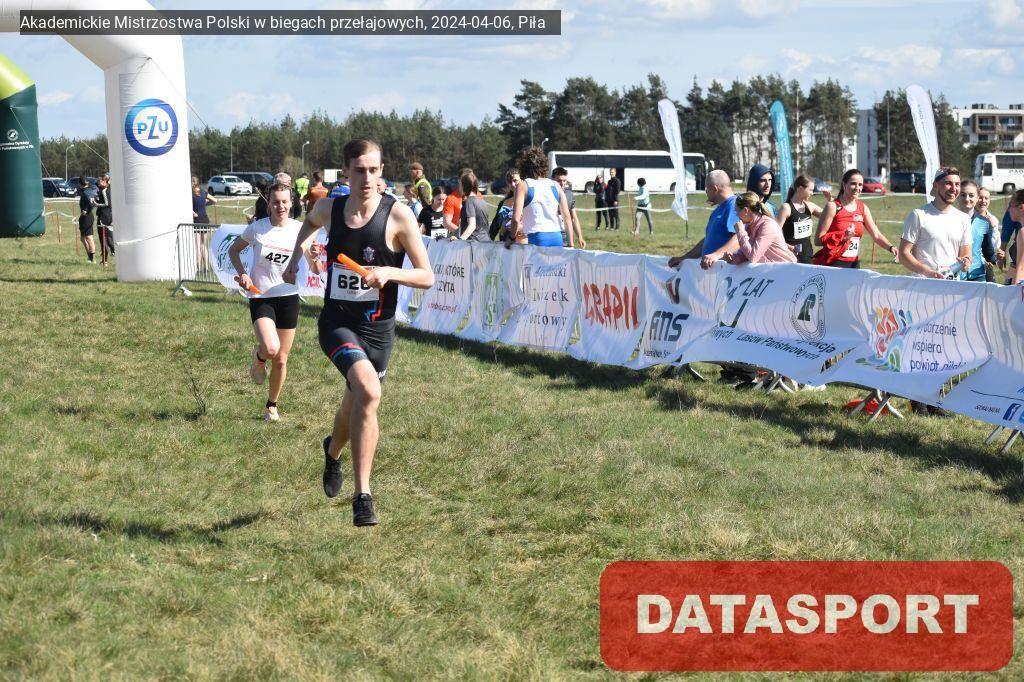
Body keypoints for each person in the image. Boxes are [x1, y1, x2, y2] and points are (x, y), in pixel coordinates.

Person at [283, 138, 434, 527]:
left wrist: (389, 272)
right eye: (359, 171)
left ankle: (332, 453)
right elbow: (309, 224)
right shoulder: (330, 208)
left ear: (381, 171)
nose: (367, 178)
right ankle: (363, 496)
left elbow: (426, 276)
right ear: (346, 172)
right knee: (369, 391)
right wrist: (299, 256)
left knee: (355, 405)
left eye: (373, 170)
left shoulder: (397, 216)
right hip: (338, 324)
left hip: (378, 331)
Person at [228, 182, 308, 423]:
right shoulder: (257, 228)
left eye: (284, 202)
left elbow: (315, 265)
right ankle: (260, 357)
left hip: (288, 297)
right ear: (269, 204)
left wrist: (314, 258)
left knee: (282, 359)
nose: (280, 206)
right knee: (271, 349)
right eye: (275, 202)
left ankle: (271, 406)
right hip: (261, 296)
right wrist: (243, 274)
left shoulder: (300, 229)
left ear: (291, 203)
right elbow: (233, 250)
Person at [813, 169, 897, 268]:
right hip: (833, 262)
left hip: (854, 264)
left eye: (860, 185)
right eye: (853, 184)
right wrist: (842, 236)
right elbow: (818, 240)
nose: (857, 188)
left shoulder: (863, 208)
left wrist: (891, 247)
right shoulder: (832, 207)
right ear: (844, 185)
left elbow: (876, 235)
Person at [899, 167, 972, 280]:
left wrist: (966, 263)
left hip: (952, 285)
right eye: (948, 183)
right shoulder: (918, 215)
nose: (954, 189)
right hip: (924, 284)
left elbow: (966, 256)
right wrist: (927, 272)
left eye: (957, 184)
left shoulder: (964, 219)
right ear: (935, 185)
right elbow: (903, 254)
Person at [668, 169, 739, 270]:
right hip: (712, 273)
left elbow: (739, 238)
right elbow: (708, 240)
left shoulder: (733, 206)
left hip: (725, 272)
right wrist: (685, 257)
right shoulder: (719, 209)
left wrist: (715, 255)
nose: (705, 192)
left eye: (706, 189)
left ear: (714, 189)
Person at [511, 147, 574, 247]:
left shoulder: (523, 185)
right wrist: (571, 243)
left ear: (524, 167)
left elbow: (515, 219)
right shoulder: (555, 185)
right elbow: (567, 216)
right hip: (557, 237)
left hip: (537, 238)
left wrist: (511, 238)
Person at [725, 192, 797, 265]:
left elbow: (753, 257)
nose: (736, 214)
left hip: (787, 268)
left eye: (737, 210)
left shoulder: (767, 225)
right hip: (773, 269)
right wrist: (733, 258)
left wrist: (740, 232)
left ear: (746, 210)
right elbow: (745, 254)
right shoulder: (749, 225)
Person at [775, 174, 823, 264]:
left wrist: (830, 201)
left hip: (808, 255)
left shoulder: (809, 206)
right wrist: (788, 246)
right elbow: (774, 234)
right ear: (800, 189)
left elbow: (828, 216)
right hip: (791, 257)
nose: (812, 193)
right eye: (810, 190)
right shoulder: (786, 208)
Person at [958, 180, 997, 282]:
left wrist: (996, 259)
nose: (967, 199)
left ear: (977, 197)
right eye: (963, 195)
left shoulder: (985, 222)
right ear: (957, 196)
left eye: (971, 195)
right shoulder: (948, 220)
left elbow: (988, 250)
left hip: (977, 276)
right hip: (955, 276)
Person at [552, 166, 586, 248]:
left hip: (566, 236)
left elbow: (573, 218)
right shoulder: (547, 194)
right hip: (552, 235)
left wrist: (580, 237)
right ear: (552, 180)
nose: (562, 183)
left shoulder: (569, 194)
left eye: (564, 181)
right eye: (559, 181)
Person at [456, 171, 490, 241]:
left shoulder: (469, 202)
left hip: (474, 243)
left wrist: (460, 240)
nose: (459, 188)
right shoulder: (482, 201)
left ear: (464, 186)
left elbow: (472, 225)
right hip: (486, 241)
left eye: (460, 185)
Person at [488, 170, 520, 242]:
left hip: (521, 243)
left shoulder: (527, 201)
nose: (512, 184)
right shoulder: (504, 203)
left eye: (515, 181)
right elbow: (495, 225)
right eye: (509, 182)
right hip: (504, 242)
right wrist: (490, 239)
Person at [92, 173, 115, 262]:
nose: (99, 182)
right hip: (108, 215)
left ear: (105, 181)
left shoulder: (104, 191)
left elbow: (107, 204)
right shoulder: (106, 189)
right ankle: (108, 255)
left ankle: (104, 260)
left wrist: (96, 203)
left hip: (103, 216)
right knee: (108, 237)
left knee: (103, 238)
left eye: (101, 180)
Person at [442, 169, 470, 236]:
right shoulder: (451, 199)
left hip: (476, 238)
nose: (468, 181)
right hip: (457, 237)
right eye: (465, 178)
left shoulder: (478, 196)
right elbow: (446, 223)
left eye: (470, 178)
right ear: (459, 180)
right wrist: (463, 235)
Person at [76, 176, 96, 264]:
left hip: (87, 216)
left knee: (89, 237)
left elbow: (92, 203)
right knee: (82, 238)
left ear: (80, 184)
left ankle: (92, 258)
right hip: (84, 217)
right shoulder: (87, 191)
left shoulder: (86, 192)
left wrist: (86, 210)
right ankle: (90, 255)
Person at [1007, 190, 1024, 285]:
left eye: (1010, 205)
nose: (1008, 210)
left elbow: (1021, 268)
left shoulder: (1022, 232)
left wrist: (1013, 290)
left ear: (1021, 207)